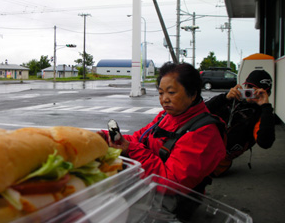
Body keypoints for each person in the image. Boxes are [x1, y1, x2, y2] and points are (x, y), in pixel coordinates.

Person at [97, 62, 226, 193]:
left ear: (192, 94)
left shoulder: (204, 132)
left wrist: (132, 150)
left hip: (173, 205)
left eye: (171, 92)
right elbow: (139, 138)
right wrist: (104, 137)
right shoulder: (166, 116)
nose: (164, 99)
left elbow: (170, 182)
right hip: (148, 188)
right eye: (160, 93)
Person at [206, 69, 275, 176]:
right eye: (249, 87)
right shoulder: (233, 100)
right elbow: (201, 111)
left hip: (218, 166)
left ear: (267, 94)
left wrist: (266, 107)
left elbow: (265, 142)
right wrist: (224, 97)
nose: (251, 92)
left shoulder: (262, 115)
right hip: (200, 150)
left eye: (257, 91)